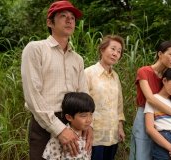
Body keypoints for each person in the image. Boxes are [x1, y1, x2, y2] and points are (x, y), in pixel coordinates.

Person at [21, 1, 92, 159]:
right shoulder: (35, 49)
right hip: (44, 124)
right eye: (63, 16)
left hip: (75, 122)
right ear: (49, 22)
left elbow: (84, 95)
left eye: (72, 18)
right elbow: (33, 96)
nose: (69, 20)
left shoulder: (77, 59)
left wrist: (88, 125)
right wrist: (59, 129)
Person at [129, 41, 171, 160]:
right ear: (160, 54)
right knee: (142, 154)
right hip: (146, 114)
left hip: (163, 119)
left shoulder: (169, 75)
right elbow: (150, 99)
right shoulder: (144, 71)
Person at [85, 35, 126, 160]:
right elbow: (82, 105)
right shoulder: (89, 73)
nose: (115, 54)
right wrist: (87, 128)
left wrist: (120, 127)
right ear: (102, 50)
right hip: (94, 135)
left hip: (112, 135)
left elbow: (119, 105)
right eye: (112, 49)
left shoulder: (115, 76)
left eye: (119, 51)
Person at [42, 92, 95, 160]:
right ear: (69, 117)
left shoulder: (87, 136)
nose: (89, 120)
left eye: (91, 114)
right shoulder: (59, 138)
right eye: (83, 116)